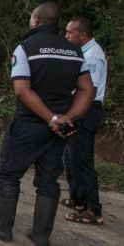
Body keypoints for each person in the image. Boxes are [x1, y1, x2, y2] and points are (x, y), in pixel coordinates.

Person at [0, 2, 95, 246]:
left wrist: (51, 118)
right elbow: (88, 90)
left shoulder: (26, 48)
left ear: (36, 21)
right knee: (48, 180)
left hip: (28, 125)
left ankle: (3, 228)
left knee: (9, 174)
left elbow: (22, 90)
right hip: (56, 132)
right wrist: (67, 119)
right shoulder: (75, 51)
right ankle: (41, 235)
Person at [61, 17, 107, 226]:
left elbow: (89, 92)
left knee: (82, 161)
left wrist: (74, 115)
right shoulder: (83, 53)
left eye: (70, 33)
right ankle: (78, 199)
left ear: (82, 35)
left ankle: (92, 211)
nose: (66, 36)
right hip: (79, 108)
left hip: (86, 110)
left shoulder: (93, 56)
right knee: (71, 158)